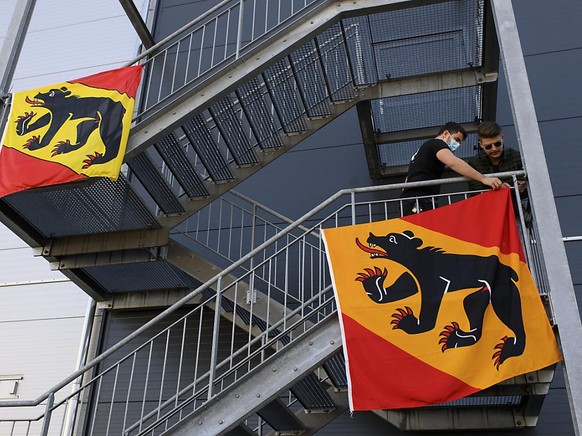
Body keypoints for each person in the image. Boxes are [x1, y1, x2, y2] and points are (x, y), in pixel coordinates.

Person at [401, 121, 504, 215]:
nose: (457, 144)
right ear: (446, 134)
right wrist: (484, 179)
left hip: (411, 200)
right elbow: (453, 162)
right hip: (419, 200)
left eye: (460, 142)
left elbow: (407, 180)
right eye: (457, 139)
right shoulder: (437, 143)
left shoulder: (422, 150)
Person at [468, 120, 531, 225]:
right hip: (489, 215)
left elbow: (527, 179)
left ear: (502, 138)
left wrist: (522, 184)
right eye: (488, 146)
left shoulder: (515, 156)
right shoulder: (474, 163)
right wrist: (498, 189)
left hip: (515, 212)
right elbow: (475, 193)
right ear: (481, 145)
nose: (494, 149)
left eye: (497, 144)